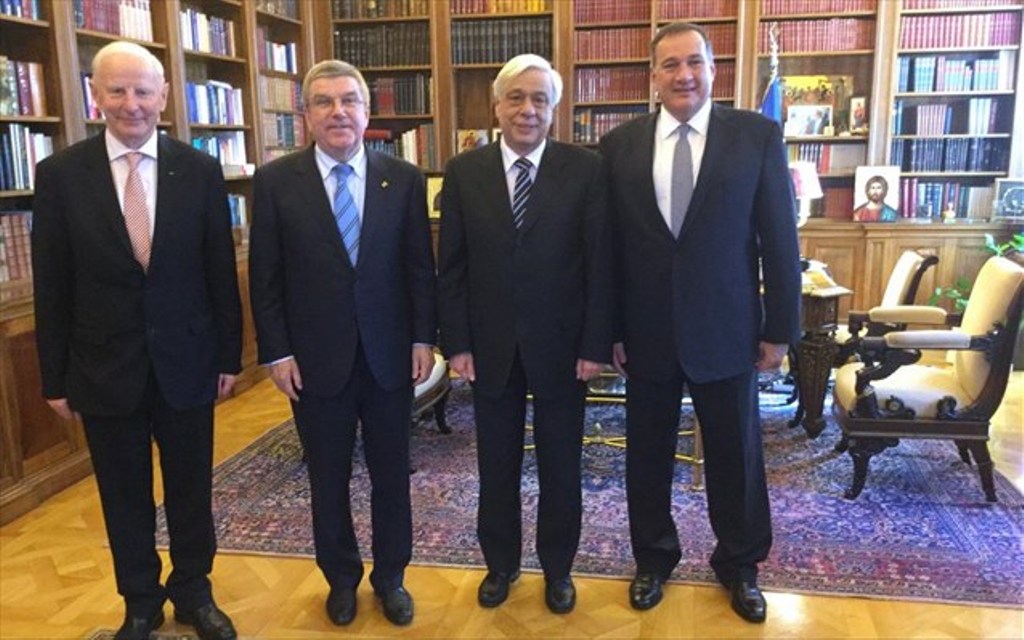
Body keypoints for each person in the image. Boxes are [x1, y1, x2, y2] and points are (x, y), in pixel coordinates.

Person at [31, 41, 241, 640]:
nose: (132, 104)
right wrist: (53, 377)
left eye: (143, 91)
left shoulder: (198, 170)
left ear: (164, 96)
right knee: (122, 494)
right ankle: (141, 602)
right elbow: (52, 284)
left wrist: (229, 356)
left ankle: (194, 593)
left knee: (191, 489)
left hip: (188, 361)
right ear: (96, 96)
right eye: (117, 91)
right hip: (102, 367)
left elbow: (219, 273)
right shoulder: (60, 176)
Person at [598, 23, 802, 623]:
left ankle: (740, 564)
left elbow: (779, 240)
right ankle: (652, 558)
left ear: (714, 70)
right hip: (646, 332)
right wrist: (609, 329)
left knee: (737, 456)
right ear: (653, 76)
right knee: (647, 455)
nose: (683, 75)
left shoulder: (756, 136)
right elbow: (609, 249)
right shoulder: (618, 146)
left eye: (694, 62)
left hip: (729, 328)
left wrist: (779, 329)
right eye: (670, 65)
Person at [248, 60, 436, 628]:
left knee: (391, 476)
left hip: (389, 357)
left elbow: (418, 269)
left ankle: (391, 578)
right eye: (324, 102)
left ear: (366, 111)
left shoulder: (403, 179)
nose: (338, 112)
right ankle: (341, 579)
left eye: (349, 100)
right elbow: (266, 277)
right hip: (313, 363)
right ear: (306, 114)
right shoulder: (276, 183)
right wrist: (277, 352)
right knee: (327, 479)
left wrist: (423, 337)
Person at [437, 53, 612, 614]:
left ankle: (558, 569)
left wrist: (594, 344)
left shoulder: (585, 170)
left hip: (564, 349)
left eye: (540, 99)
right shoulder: (464, 172)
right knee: (496, 466)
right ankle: (501, 565)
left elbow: (600, 264)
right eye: (516, 97)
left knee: (561, 466)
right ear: (497, 106)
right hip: (489, 348)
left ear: (554, 109)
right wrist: (457, 343)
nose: (527, 109)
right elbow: (452, 267)